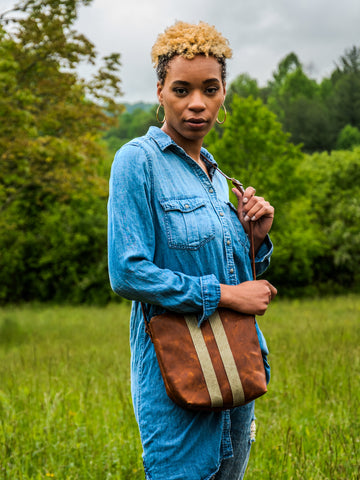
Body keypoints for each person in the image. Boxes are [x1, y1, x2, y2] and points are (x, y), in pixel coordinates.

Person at [108, 21, 277, 480]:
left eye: (210, 88)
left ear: (224, 95)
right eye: (182, 89)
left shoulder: (219, 177)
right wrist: (226, 295)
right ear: (160, 90)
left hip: (234, 374)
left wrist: (253, 240)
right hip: (177, 381)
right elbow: (127, 272)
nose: (197, 103)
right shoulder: (136, 161)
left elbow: (227, 266)